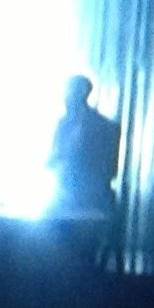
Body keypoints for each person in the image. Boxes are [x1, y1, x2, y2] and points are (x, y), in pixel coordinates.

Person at [49, 76, 121, 259]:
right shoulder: (65, 124)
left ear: (80, 94)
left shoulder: (103, 128)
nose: (65, 98)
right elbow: (53, 160)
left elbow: (107, 169)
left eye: (68, 92)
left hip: (89, 203)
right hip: (69, 199)